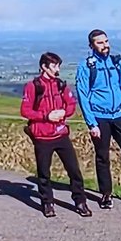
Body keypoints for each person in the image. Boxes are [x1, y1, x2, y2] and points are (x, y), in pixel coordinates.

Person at [74, 29, 121, 209]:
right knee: (102, 157)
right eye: (100, 43)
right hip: (100, 117)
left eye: (106, 41)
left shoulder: (117, 62)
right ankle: (106, 194)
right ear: (91, 45)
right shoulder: (86, 66)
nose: (105, 45)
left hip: (120, 115)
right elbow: (82, 95)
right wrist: (91, 123)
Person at [20, 52, 92, 218]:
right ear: (44, 67)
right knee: (44, 173)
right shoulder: (33, 86)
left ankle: (80, 202)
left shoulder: (60, 85)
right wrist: (46, 116)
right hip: (42, 137)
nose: (57, 69)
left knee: (74, 170)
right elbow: (25, 110)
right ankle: (47, 203)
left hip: (61, 135)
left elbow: (71, 104)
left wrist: (63, 113)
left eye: (58, 65)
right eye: (54, 66)